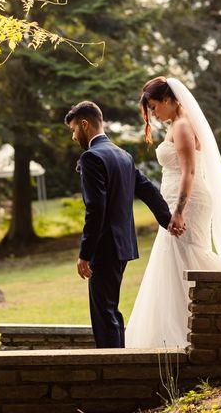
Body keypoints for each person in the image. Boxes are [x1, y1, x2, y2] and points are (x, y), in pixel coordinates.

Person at [125, 77, 221, 349]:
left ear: (170, 99)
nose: (154, 114)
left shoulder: (182, 126)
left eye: (155, 106)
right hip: (178, 200)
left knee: (190, 257)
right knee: (177, 259)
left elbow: (189, 172)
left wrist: (179, 211)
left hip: (187, 202)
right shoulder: (178, 124)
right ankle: (187, 325)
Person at [64, 101, 178, 348]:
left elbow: (96, 209)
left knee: (104, 314)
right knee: (110, 310)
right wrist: (166, 219)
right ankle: (119, 360)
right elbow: (147, 188)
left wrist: (85, 254)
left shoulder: (92, 157)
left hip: (104, 247)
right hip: (123, 246)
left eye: (74, 129)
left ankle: (112, 367)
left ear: (85, 124)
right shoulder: (122, 155)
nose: (73, 136)